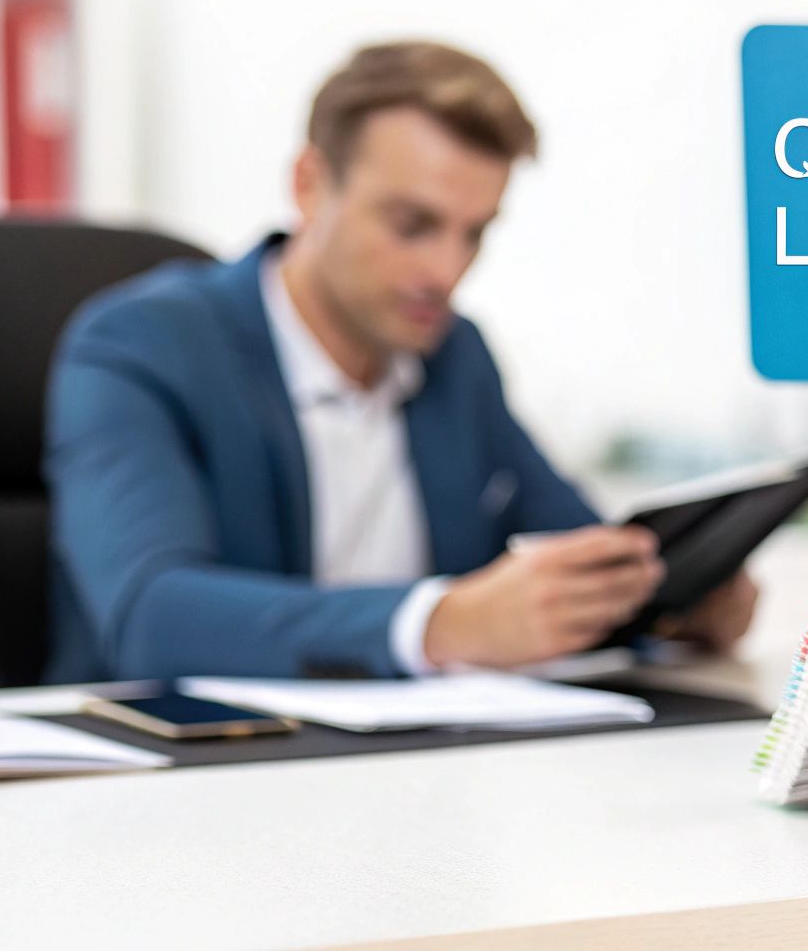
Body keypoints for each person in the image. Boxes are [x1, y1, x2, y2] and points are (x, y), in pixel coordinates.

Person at [44, 41, 756, 682]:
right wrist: (442, 625)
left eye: (474, 233)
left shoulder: (454, 358)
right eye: (412, 226)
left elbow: (572, 549)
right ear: (310, 185)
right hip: (183, 787)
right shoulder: (139, 346)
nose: (446, 271)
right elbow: (150, 618)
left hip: (411, 785)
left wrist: (664, 604)